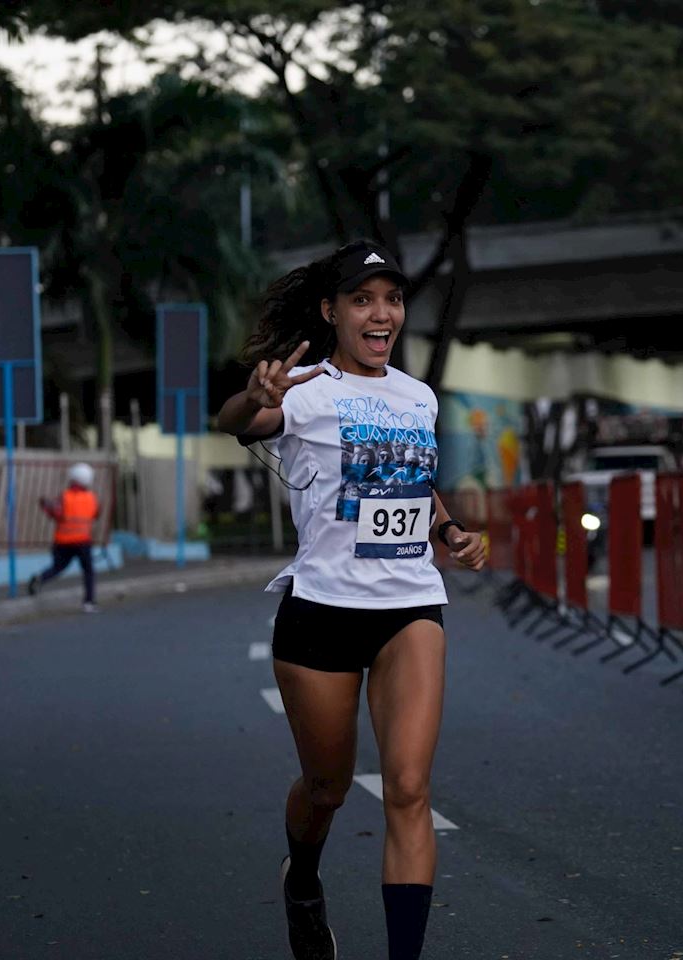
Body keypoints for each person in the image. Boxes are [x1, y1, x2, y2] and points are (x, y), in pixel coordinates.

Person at [218, 238, 487, 960]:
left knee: (407, 787)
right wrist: (255, 395)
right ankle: (302, 877)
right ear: (331, 311)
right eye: (363, 299)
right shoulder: (304, 391)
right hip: (322, 613)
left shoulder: (417, 395)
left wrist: (451, 529)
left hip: (408, 604)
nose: (381, 314)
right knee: (328, 786)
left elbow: (409, 482)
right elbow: (237, 422)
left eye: (392, 299)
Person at [27, 462, 101, 612]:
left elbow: (56, 513)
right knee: (88, 571)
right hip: (83, 542)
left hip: (62, 541)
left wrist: (46, 505)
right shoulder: (91, 498)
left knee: (58, 567)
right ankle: (89, 603)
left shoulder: (64, 497)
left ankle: (40, 578)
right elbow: (96, 514)